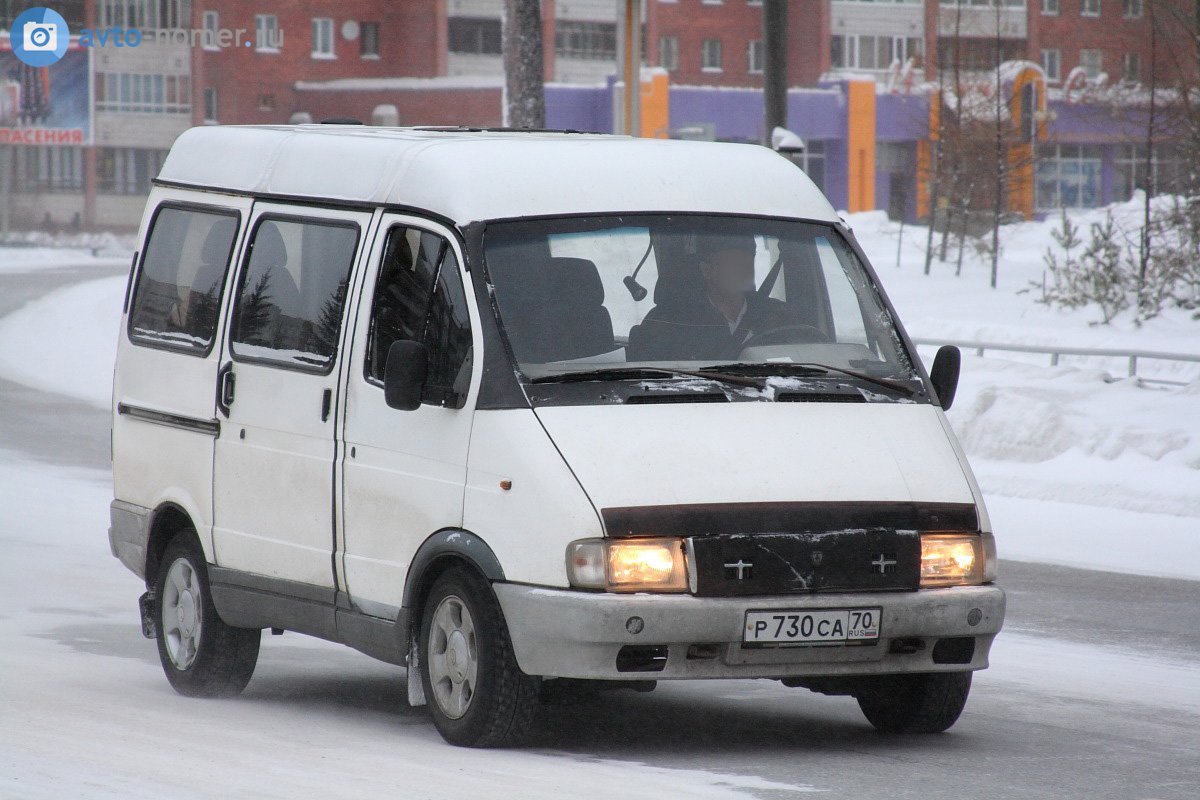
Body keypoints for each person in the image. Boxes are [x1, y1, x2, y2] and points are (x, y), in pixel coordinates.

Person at [627, 233, 797, 362]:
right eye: (734, 261)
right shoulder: (666, 324)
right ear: (707, 270)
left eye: (748, 260)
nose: (745, 268)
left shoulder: (780, 316)